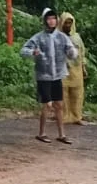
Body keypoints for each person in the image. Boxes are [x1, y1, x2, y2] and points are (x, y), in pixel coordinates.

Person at [20, 8, 77, 144]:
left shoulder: (62, 37)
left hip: (57, 75)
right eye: (49, 18)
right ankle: (42, 133)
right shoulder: (39, 37)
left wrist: (71, 52)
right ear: (45, 21)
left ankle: (62, 134)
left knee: (59, 104)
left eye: (53, 18)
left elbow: (71, 51)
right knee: (47, 104)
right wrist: (33, 52)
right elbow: (23, 50)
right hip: (44, 75)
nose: (52, 21)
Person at [60, 12, 88, 125]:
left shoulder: (77, 37)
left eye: (70, 23)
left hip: (76, 69)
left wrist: (83, 67)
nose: (68, 25)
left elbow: (82, 52)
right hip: (62, 69)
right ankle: (64, 116)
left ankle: (77, 117)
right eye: (66, 22)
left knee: (77, 93)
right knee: (63, 93)